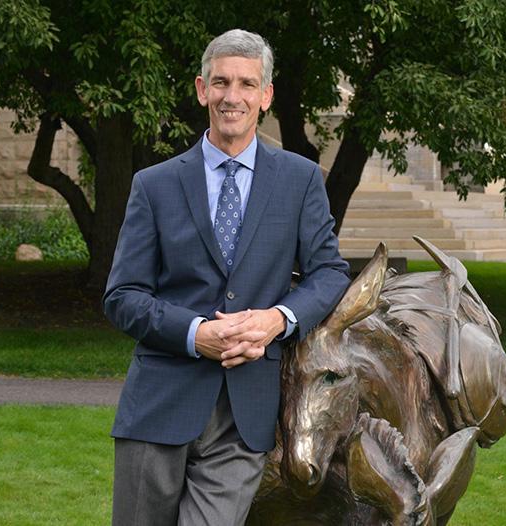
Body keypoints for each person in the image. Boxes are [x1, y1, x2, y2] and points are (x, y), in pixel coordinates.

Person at [103, 28, 350, 526]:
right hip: (158, 407)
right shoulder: (154, 185)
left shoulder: (301, 180)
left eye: (246, 84)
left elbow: (329, 271)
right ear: (202, 90)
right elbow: (122, 296)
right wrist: (196, 333)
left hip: (245, 417)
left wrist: (277, 320)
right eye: (220, 82)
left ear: (265, 96)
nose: (231, 96)